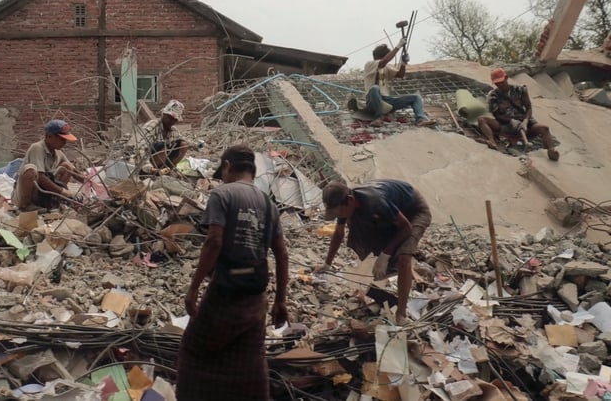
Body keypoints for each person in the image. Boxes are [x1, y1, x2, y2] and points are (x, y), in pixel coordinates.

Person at [176, 144, 289, 401]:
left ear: (227, 166)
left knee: (194, 352)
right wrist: (281, 300)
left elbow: (214, 241)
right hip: (255, 297)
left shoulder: (222, 195)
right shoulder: (268, 203)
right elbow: (282, 254)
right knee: (249, 362)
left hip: (225, 292)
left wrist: (193, 288)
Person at [316, 179, 431, 325]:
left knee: (404, 257)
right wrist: (327, 264)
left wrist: (385, 255)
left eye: (339, 211)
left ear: (350, 201)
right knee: (355, 224)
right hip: (393, 213)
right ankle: (391, 260)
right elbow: (338, 234)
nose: (339, 215)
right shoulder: (345, 203)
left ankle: (401, 314)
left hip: (414, 211)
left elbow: (406, 227)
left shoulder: (374, 202)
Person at [479, 68, 559, 161]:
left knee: (544, 128)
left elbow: (528, 108)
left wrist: (525, 121)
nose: (500, 85)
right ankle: (492, 141)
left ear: (506, 78)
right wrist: (511, 121)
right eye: (497, 83)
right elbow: (496, 114)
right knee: (482, 120)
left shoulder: (520, 90)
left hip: (525, 124)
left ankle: (551, 151)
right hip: (505, 125)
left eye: (501, 82)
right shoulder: (493, 96)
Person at [11, 119, 85, 211]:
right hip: (24, 195)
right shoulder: (37, 148)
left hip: (43, 196)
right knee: (31, 170)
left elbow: (73, 171)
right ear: (50, 136)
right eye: (62, 139)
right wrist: (64, 192)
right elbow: (41, 177)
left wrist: (90, 181)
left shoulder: (58, 152)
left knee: (66, 166)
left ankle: (55, 202)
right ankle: (27, 206)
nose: (64, 142)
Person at [362, 39, 437, 127]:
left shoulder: (386, 67)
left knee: (416, 97)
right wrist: (398, 46)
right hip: (373, 101)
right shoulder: (369, 64)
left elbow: (400, 74)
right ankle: (378, 117)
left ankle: (420, 119)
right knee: (375, 88)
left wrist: (403, 63)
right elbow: (384, 61)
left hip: (387, 100)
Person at [135, 99, 189, 175]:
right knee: (163, 147)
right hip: (144, 162)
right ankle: (151, 172)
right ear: (164, 114)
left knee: (183, 144)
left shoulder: (173, 130)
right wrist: (148, 166)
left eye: (174, 119)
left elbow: (183, 141)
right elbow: (140, 148)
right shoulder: (152, 126)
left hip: (162, 161)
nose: (171, 121)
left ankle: (167, 170)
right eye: (170, 118)